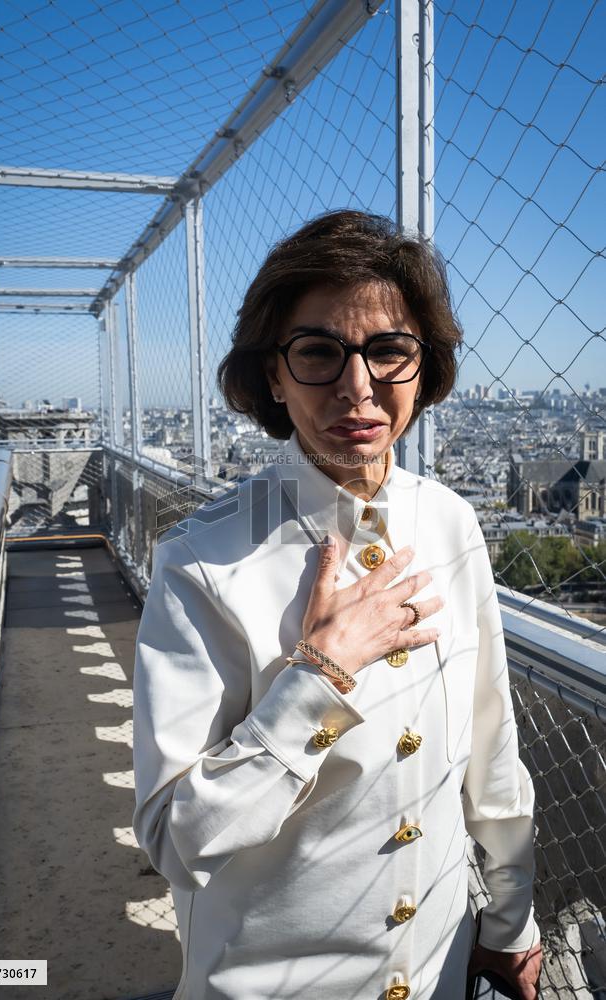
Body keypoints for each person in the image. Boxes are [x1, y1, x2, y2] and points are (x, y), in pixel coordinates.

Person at [132, 210, 543, 1000]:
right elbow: (174, 843)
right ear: (273, 376)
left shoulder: (449, 522)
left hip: (440, 971)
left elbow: (490, 743)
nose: (359, 387)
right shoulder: (203, 560)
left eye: (390, 350)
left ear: (426, 370)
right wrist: (314, 680)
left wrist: (510, 920)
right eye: (320, 352)